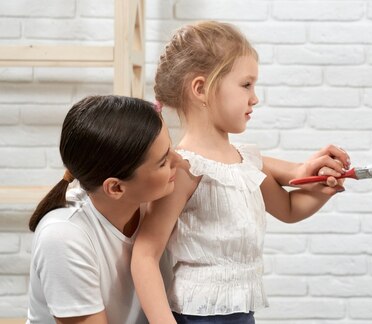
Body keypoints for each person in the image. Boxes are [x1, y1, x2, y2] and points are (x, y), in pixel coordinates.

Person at [131, 21, 350, 323]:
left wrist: (326, 189)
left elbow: (287, 207)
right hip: (199, 316)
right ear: (201, 89)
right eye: (246, 84)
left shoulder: (244, 161)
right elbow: (144, 256)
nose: (255, 97)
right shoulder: (185, 168)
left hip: (241, 314)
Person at [27, 95, 182, 324]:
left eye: (170, 148)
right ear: (116, 187)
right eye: (163, 162)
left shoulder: (159, 206)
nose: (178, 160)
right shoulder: (63, 236)